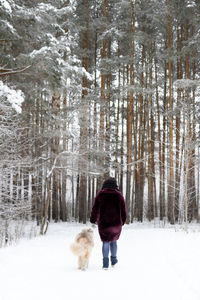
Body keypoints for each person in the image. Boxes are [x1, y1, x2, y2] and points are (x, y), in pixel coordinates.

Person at [90, 177, 127, 269]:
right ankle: (113, 261)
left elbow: (95, 209)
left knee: (105, 242)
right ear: (115, 185)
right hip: (116, 223)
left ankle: (105, 264)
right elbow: (124, 210)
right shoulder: (119, 195)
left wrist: (93, 219)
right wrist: (123, 220)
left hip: (104, 224)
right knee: (114, 241)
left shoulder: (100, 195)